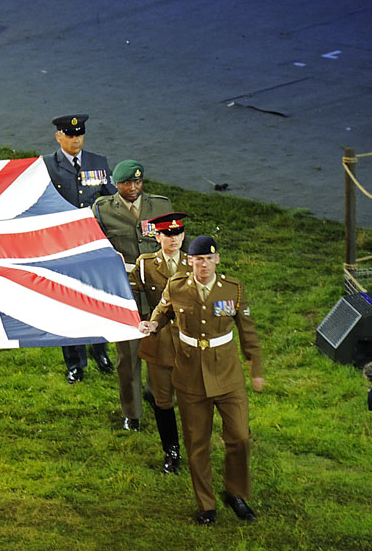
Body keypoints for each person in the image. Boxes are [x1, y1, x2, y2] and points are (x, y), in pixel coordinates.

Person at [139, 236, 265, 525]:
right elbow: (163, 310)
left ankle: (235, 493)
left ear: (217, 260)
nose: (204, 265)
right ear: (190, 261)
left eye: (209, 259)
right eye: (198, 260)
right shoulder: (177, 286)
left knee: (240, 437)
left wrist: (255, 367)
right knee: (197, 443)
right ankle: (206, 504)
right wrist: (154, 324)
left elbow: (247, 330)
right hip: (190, 375)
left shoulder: (232, 289)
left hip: (228, 375)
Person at [93, 160, 172, 430]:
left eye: (138, 182)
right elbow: (95, 246)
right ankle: (132, 412)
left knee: (162, 351)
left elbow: (176, 242)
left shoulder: (160, 206)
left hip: (159, 290)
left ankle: (157, 395)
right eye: (127, 183)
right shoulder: (103, 209)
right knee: (128, 357)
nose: (134, 187)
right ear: (116, 185)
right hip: (126, 291)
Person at [44, 113, 116, 383]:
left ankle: (101, 350)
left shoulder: (98, 162)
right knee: (68, 303)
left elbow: (111, 199)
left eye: (79, 135)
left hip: (94, 243)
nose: (75, 140)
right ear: (58, 136)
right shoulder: (46, 166)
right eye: (70, 135)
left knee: (97, 297)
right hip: (63, 246)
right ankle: (75, 362)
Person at [129, 212, 191, 473]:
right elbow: (129, 290)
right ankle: (171, 451)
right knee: (162, 400)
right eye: (168, 234)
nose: (174, 239)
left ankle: (195, 445)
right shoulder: (146, 264)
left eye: (178, 233)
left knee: (192, 398)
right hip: (161, 340)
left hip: (190, 340)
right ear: (157, 237)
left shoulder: (194, 262)